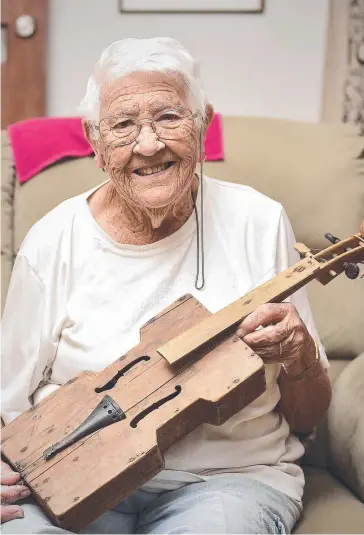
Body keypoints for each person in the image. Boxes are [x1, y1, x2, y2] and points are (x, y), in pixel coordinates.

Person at [1, 37, 332, 534]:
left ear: (203, 125)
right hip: (74, 473)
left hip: (227, 479)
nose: (149, 143)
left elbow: (308, 416)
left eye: (170, 117)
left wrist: (298, 353)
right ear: (95, 142)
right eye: (124, 125)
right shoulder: (54, 239)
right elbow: (7, 393)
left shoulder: (258, 221)